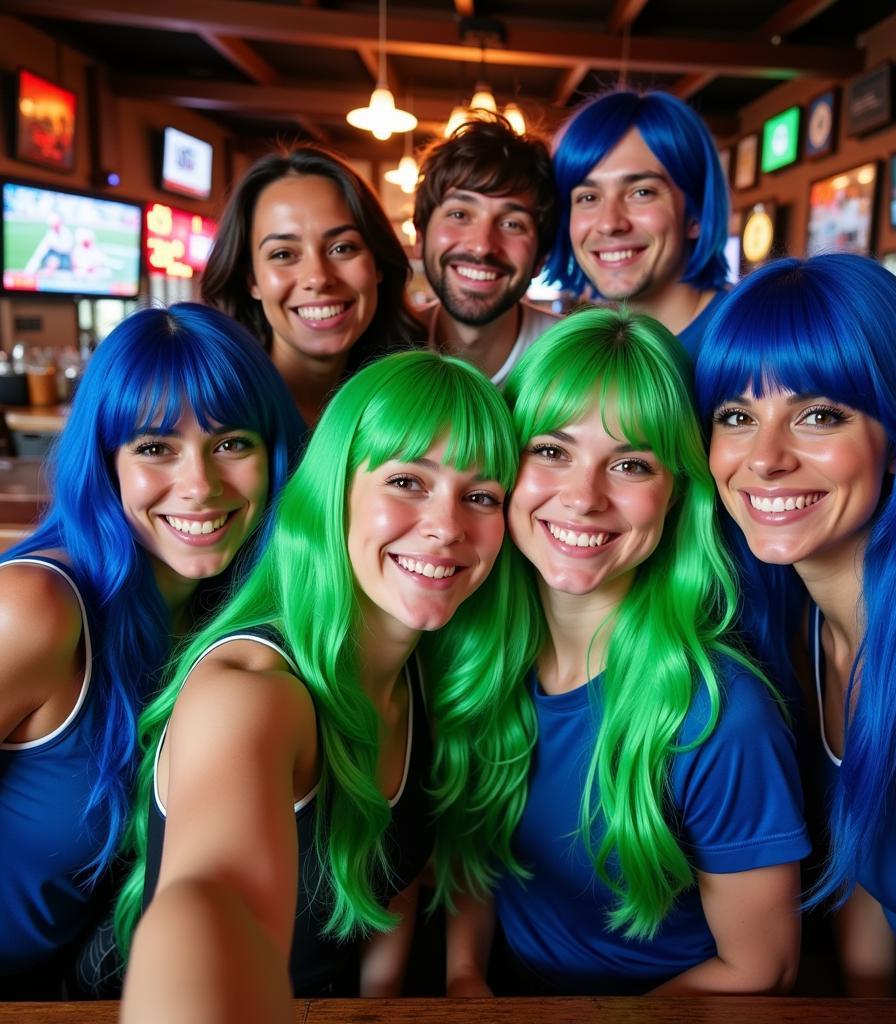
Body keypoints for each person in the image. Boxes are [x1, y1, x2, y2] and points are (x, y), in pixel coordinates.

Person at [116, 350, 519, 1021]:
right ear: (335, 492)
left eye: (480, 496)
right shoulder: (250, 689)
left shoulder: (425, 671)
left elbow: (394, 880)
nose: (448, 527)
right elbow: (212, 900)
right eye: (408, 482)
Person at [433, 307, 810, 996]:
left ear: (677, 496)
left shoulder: (720, 716)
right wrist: (464, 982)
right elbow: (472, 861)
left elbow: (762, 967)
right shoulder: (469, 653)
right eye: (551, 450)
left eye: (630, 463)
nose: (583, 497)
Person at [694, 254, 896, 1000]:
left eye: (819, 416)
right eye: (737, 417)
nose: (766, 459)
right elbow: (866, 869)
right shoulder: (815, 626)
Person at [0, 304, 304, 999]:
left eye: (231, 443)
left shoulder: (226, 617)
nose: (199, 484)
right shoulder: (35, 608)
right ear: (106, 462)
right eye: (155, 447)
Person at [202, 146, 423, 425]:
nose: (318, 277)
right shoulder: (215, 412)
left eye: (342, 248)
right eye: (283, 254)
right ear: (251, 280)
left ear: (377, 263)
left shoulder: (411, 403)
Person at [546, 90, 730, 359]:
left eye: (642, 192)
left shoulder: (756, 340)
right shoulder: (575, 352)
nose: (609, 223)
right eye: (588, 197)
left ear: (696, 214)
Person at [413, 114, 560, 387]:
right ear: (420, 236)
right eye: (459, 214)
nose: (482, 246)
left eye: (512, 224)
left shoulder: (570, 357)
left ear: (541, 258)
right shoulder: (386, 348)